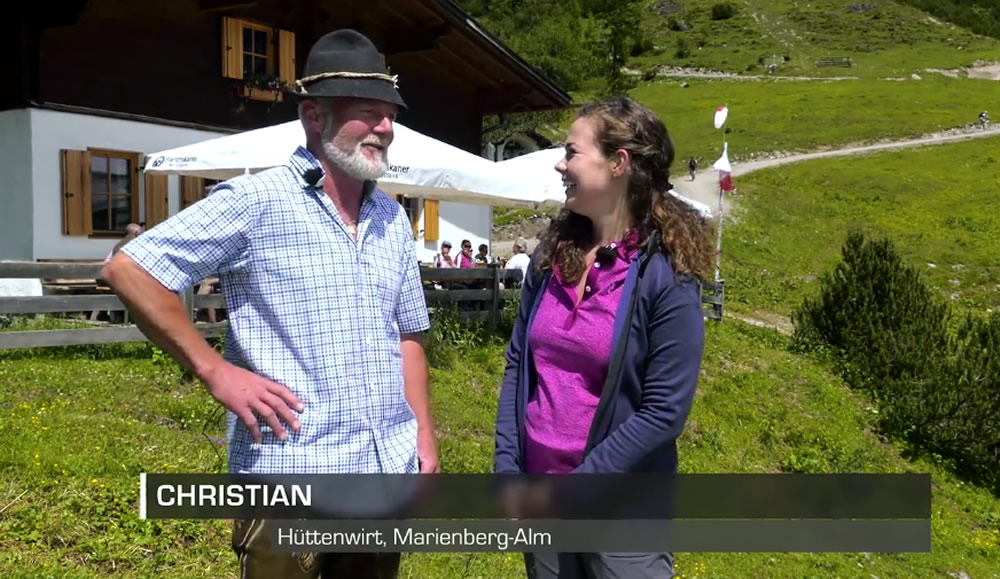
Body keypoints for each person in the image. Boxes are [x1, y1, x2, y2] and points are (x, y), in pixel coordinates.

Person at [102, 29, 436, 579]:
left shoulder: (391, 219)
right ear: (314, 115)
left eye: (389, 115)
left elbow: (408, 335)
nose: (386, 128)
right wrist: (215, 372)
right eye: (368, 113)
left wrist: (423, 439)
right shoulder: (257, 200)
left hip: (383, 472)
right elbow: (129, 269)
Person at [494, 97, 714, 578]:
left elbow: (664, 412)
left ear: (618, 163)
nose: (560, 162)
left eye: (572, 151)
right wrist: (508, 467)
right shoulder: (551, 256)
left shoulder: (666, 276)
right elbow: (518, 365)